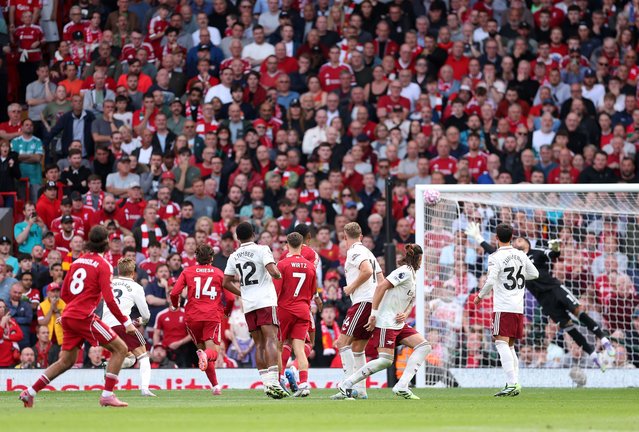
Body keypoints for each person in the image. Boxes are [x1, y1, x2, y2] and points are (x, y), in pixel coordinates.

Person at [466, 222, 615, 371]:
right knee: (568, 326)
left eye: (519, 239)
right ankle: (593, 355)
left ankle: (603, 338)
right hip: (543, 300)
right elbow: (493, 252)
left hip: (555, 289)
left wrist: (556, 248)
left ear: (527, 243)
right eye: (514, 240)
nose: (516, 241)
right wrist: (478, 237)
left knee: (578, 311)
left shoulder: (536, 252)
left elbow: (552, 255)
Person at [19, 225, 137, 408]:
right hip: (84, 317)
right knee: (121, 349)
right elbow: (110, 300)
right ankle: (107, 395)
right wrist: (126, 322)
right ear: (106, 243)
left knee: (66, 361)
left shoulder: (77, 262)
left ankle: (30, 392)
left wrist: (72, 311)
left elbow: (65, 293)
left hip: (70, 316)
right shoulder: (104, 265)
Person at [337, 244, 431, 400]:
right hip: (386, 321)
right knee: (385, 361)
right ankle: (346, 384)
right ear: (420, 258)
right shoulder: (403, 272)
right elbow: (381, 286)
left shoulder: (413, 275)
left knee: (424, 346)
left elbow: (410, 301)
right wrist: (373, 314)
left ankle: (402, 386)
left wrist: (405, 313)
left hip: (397, 322)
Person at [223, 221, 288, 398]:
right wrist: (279, 274)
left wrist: (242, 292)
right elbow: (273, 271)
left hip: (249, 304)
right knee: (271, 339)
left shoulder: (234, 256)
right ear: (254, 234)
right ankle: (274, 381)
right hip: (265, 301)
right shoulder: (262, 249)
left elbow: (226, 282)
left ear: (237, 238)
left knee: (259, 344)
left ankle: (267, 384)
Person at [473, 223, 539, 397]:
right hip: (518, 307)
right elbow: (535, 274)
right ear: (512, 237)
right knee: (509, 346)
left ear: (496, 238)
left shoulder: (495, 257)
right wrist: (520, 273)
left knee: (501, 343)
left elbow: (490, 280)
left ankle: (512, 383)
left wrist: (480, 296)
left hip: (503, 307)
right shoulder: (520, 254)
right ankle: (514, 382)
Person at [170, 244, 239, 396]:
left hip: (192, 317)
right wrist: (226, 312)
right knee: (212, 352)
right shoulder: (218, 273)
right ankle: (206, 360)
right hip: (211, 316)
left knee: (203, 351)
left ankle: (215, 386)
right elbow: (230, 298)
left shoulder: (187, 271)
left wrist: (176, 305)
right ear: (212, 258)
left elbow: (174, 292)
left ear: (196, 257)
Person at [330, 222, 384, 400]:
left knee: (342, 343)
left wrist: (351, 287)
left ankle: (347, 386)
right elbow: (381, 280)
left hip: (363, 302)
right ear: (360, 235)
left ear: (345, 237)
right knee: (358, 348)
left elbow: (367, 271)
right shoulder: (369, 252)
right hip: (372, 302)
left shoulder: (355, 251)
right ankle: (361, 389)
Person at [101, 257, 153, 397]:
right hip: (122, 324)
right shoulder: (136, 287)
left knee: (129, 358)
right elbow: (146, 314)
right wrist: (141, 321)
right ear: (133, 273)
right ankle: (144, 389)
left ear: (118, 271)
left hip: (103, 326)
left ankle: (108, 367)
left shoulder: (109, 283)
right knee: (143, 356)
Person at [274, 232, 317, 397]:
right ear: (302, 245)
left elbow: (276, 291)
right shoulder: (310, 266)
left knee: (280, 346)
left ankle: (279, 380)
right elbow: (312, 291)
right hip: (303, 309)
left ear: (287, 245)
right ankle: (304, 383)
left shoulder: (282, 264)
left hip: (285, 309)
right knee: (300, 348)